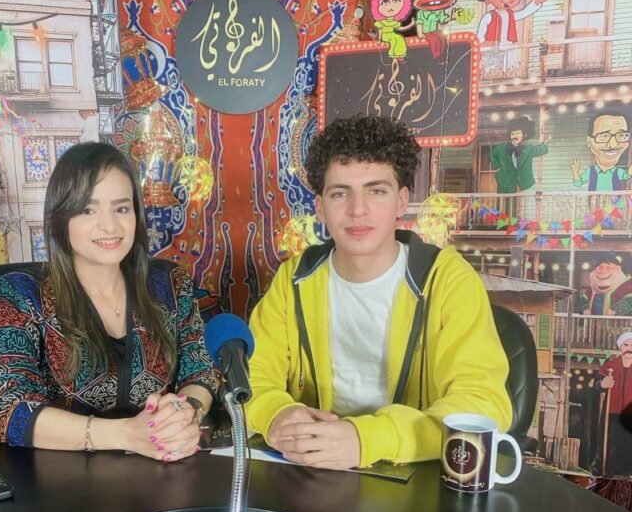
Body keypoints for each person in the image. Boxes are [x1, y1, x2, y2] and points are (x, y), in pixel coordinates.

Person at [245, 115, 512, 470]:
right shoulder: (294, 279)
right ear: (320, 207)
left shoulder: (447, 280)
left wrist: (367, 439)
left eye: (376, 191)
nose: (358, 210)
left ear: (401, 201)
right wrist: (277, 413)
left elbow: (483, 402)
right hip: (313, 467)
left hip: (412, 473)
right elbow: (253, 375)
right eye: (340, 193)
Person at [0, 142, 218, 458]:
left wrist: (186, 415)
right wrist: (127, 435)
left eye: (121, 208)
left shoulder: (169, 285)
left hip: (160, 469)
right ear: (60, 218)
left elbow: (200, 371)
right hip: (58, 478)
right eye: (87, 210)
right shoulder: (20, 295)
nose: (110, 226)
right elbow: (3, 406)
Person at [596, 331, 632, 477]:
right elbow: (596, 385)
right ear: (620, 347)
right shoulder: (610, 365)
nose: (629, 348)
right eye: (626, 345)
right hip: (612, 413)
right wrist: (602, 384)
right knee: (611, 443)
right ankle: (608, 472)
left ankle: (628, 474)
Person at [571, 110, 632, 192]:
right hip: (595, 200)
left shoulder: (617, 171)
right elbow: (578, 183)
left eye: (621, 135)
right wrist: (575, 172)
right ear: (589, 141)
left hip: (615, 200)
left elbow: (627, 175)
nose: (613, 145)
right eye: (604, 136)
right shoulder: (591, 171)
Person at [489, 116, 549, 195]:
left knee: (514, 199)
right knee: (500, 199)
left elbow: (539, 149)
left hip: (518, 181)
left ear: (524, 135)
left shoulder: (528, 149)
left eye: (517, 133)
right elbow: (491, 154)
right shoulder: (502, 147)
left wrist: (545, 144)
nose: (514, 136)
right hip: (504, 179)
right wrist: (497, 166)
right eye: (512, 134)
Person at [580, 252, 632, 317]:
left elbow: (630, 299)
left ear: (619, 268)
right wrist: (586, 308)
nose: (603, 271)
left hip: (616, 322)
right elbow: (584, 298)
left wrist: (616, 309)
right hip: (595, 320)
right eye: (600, 267)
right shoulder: (593, 289)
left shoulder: (626, 285)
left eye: (608, 267)